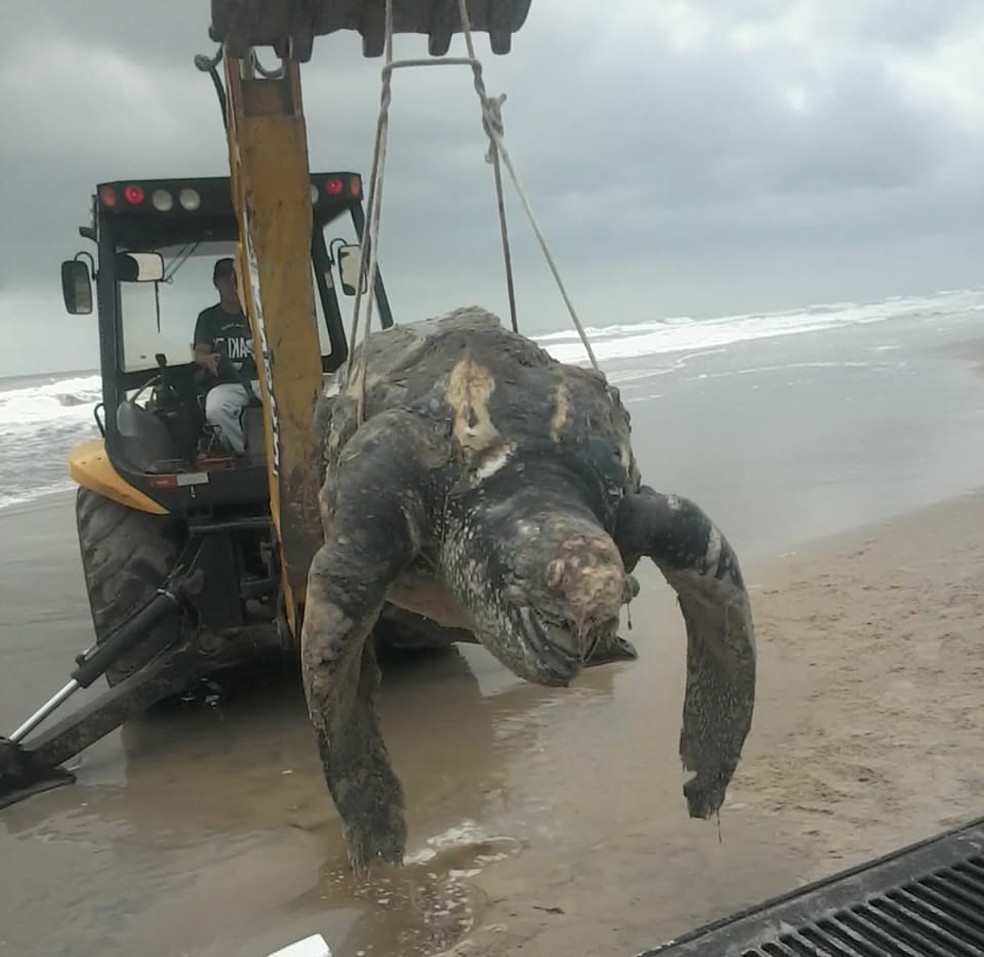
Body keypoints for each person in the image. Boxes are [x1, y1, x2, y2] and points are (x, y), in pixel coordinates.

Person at [192, 257, 260, 455]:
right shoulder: (208, 318)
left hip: (262, 382)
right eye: (226, 280)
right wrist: (207, 360)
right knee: (215, 409)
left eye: (237, 279)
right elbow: (199, 352)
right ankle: (247, 453)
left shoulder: (259, 313)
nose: (233, 285)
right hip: (227, 384)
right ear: (216, 283)